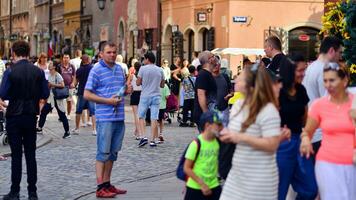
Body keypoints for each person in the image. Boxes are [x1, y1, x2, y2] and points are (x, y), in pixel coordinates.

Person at [219, 64, 281, 200]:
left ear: (250, 85)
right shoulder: (238, 105)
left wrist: (239, 137)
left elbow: (272, 144)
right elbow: (234, 134)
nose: (236, 79)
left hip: (258, 179)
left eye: (240, 78)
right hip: (237, 174)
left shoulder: (268, 110)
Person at [0, 40, 49, 200]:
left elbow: (4, 93)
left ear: (13, 53)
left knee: (16, 155)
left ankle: (15, 191)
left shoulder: (10, 71)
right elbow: (45, 93)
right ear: (28, 53)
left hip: (14, 115)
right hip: (30, 115)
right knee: (30, 154)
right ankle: (32, 192)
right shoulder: (38, 72)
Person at [300, 64, 356, 200]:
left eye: (332, 80)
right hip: (327, 163)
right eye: (325, 81)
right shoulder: (319, 105)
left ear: (344, 81)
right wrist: (306, 140)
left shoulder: (355, 102)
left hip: (353, 164)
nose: (328, 85)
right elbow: (307, 131)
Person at [84, 42, 132, 198]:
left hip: (119, 116)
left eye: (114, 52)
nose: (112, 54)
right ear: (101, 54)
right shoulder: (96, 70)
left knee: (113, 153)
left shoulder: (119, 69)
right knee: (102, 153)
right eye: (109, 52)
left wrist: (126, 90)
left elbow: (120, 91)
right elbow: (87, 94)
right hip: (105, 117)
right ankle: (99, 187)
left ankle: (107, 183)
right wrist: (107, 101)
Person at [276, 60, 317, 200]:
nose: (303, 74)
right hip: (282, 143)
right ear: (289, 71)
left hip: (298, 139)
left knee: (310, 188)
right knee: (279, 191)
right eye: (299, 70)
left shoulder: (301, 90)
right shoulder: (278, 90)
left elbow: (305, 117)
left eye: (304, 70)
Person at [302, 36, 342, 159]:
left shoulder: (311, 67)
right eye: (339, 52)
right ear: (331, 51)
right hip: (322, 135)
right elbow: (329, 103)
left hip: (313, 131)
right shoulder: (325, 70)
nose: (340, 57)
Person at [183, 111, 222, 200]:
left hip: (214, 185)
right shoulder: (196, 144)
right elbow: (186, 168)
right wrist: (202, 184)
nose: (221, 128)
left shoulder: (217, 142)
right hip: (195, 188)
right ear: (208, 125)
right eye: (218, 125)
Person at [136, 52, 165, 147]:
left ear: (147, 59)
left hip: (145, 95)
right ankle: (152, 140)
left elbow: (138, 83)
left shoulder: (142, 68)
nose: (143, 61)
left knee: (141, 116)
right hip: (156, 95)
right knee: (154, 118)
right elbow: (162, 85)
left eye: (144, 59)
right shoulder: (160, 70)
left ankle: (143, 136)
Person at [36, 61, 71, 139]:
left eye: (51, 64)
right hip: (51, 99)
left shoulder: (57, 75)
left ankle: (67, 132)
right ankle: (40, 128)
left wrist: (52, 85)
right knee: (44, 112)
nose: (49, 65)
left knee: (62, 115)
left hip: (57, 99)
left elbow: (62, 85)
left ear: (54, 67)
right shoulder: (50, 75)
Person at [193, 51, 218, 131]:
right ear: (209, 60)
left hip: (209, 112)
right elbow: (201, 95)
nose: (215, 58)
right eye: (213, 56)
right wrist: (207, 114)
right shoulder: (203, 74)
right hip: (203, 114)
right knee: (208, 141)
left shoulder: (208, 74)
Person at [71, 54, 96, 136]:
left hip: (82, 92)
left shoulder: (79, 70)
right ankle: (94, 130)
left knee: (78, 111)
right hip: (91, 92)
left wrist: (72, 85)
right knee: (93, 112)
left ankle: (77, 129)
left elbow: (75, 83)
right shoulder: (93, 69)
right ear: (88, 60)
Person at [61, 54, 76, 120]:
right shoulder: (59, 66)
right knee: (60, 101)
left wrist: (73, 83)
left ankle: (68, 114)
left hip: (69, 86)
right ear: (63, 58)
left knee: (69, 101)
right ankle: (61, 114)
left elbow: (74, 75)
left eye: (67, 58)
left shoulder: (72, 66)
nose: (66, 59)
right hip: (61, 86)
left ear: (69, 59)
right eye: (64, 57)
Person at [129, 62, 142, 140]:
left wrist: (130, 90)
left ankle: (139, 133)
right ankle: (137, 131)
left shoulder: (131, 76)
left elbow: (128, 84)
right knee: (140, 115)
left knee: (136, 115)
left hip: (134, 94)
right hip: (141, 94)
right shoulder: (142, 76)